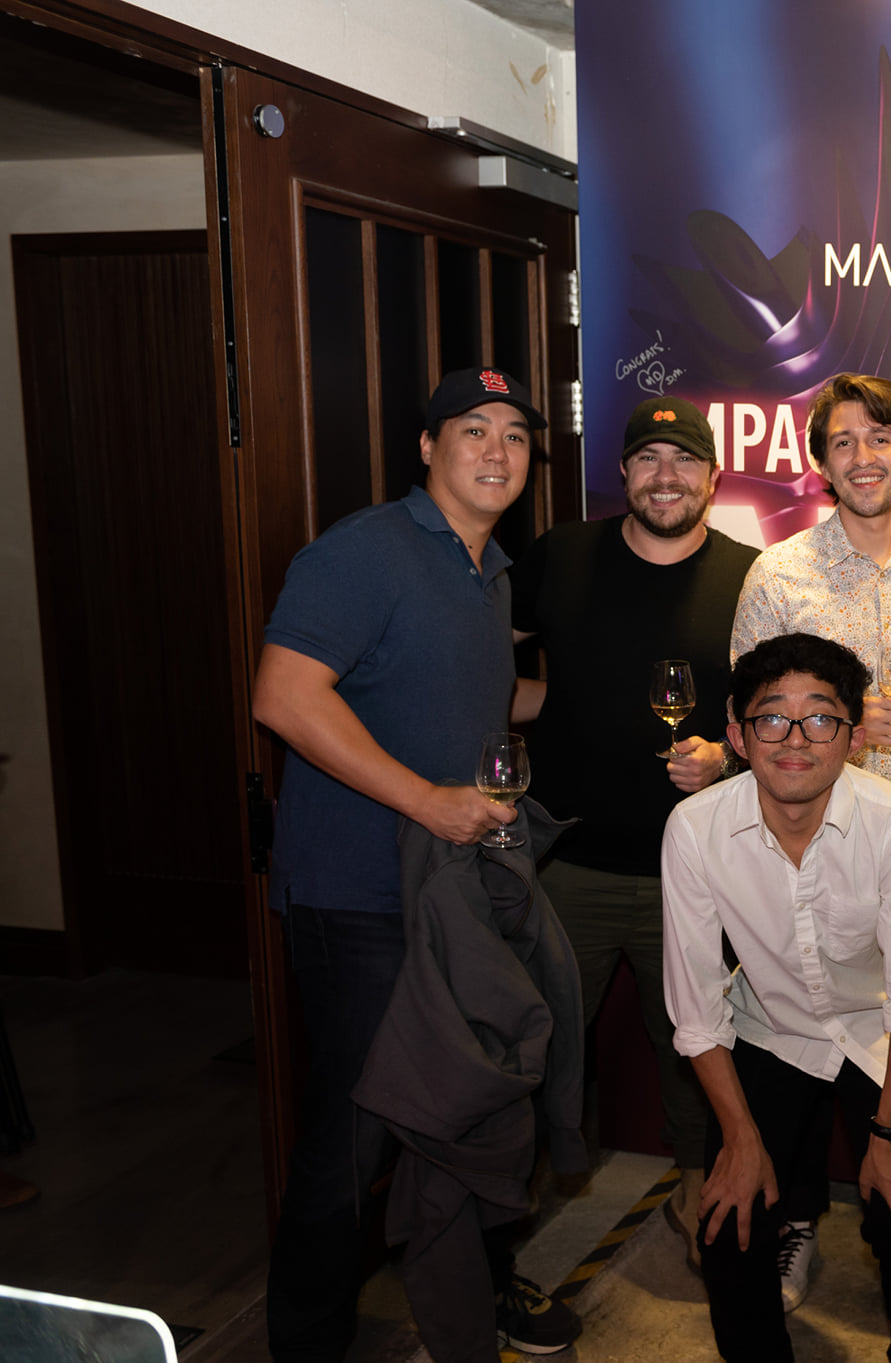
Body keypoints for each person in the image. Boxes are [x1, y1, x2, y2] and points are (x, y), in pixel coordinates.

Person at [252, 366, 578, 1360]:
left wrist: (596, 694)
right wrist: (427, 800)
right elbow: (284, 696)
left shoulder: (490, 571)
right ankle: (306, 1343)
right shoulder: (366, 550)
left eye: (514, 435)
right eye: (471, 429)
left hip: (447, 890)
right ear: (427, 447)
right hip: (359, 898)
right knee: (352, 1142)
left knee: (468, 1111)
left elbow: (481, 695)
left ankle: (475, 1295)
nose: (496, 450)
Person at [509, 396, 759, 1263]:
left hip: (692, 872)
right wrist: (534, 706)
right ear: (622, 472)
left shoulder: (751, 576)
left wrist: (727, 757)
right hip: (568, 863)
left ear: (713, 477)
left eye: (684, 459)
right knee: (536, 1038)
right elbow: (477, 650)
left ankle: (697, 1187)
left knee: (696, 1044)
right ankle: (509, 1196)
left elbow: (777, 708)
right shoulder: (562, 555)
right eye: (649, 457)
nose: (666, 475)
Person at [661, 632, 891, 1363]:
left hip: (878, 1029)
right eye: (771, 718)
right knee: (728, 1223)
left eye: (821, 718)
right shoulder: (695, 828)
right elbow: (697, 1010)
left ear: (854, 738)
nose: (795, 739)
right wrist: (740, 1137)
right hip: (770, 1026)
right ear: (737, 735)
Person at [731, 374, 891, 837]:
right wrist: (843, 722)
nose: (863, 458)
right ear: (823, 464)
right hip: (820, 837)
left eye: (880, 439)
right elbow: (748, 715)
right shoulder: (777, 575)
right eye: (844, 443)